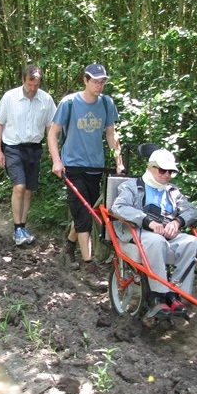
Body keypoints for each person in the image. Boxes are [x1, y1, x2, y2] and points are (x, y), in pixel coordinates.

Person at [48, 63, 124, 290]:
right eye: (96, 81)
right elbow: (52, 133)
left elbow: (111, 134)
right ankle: (89, 266)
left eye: (102, 82)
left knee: (87, 212)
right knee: (83, 215)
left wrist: (118, 161)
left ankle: (69, 248)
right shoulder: (69, 103)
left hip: (96, 168)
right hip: (73, 166)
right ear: (85, 80)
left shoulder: (107, 103)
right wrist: (56, 160)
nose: (99, 86)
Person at [110, 149, 197, 320]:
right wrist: (146, 220)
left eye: (170, 171)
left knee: (193, 243)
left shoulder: (172, 191)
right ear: (150, 167)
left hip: (166, 234)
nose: (167, 175)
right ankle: (157, 296)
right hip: (140, 232)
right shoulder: (131, 186)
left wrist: (178, 222)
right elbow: (119, 207)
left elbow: (192, 210)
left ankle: (175, 294)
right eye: (162, 170)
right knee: (156, 241)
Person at [0, 65, 57, 245]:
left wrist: (54, 151)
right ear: (23, 80)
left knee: (28, 190)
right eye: (30, 84)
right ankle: (16, 228)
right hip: (12, 147)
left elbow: (52, 126)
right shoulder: (10, 97)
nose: (33, 88)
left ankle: (22, 226)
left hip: (34, 148)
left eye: (36, 85)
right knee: (19, 187)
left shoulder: (46, 100)